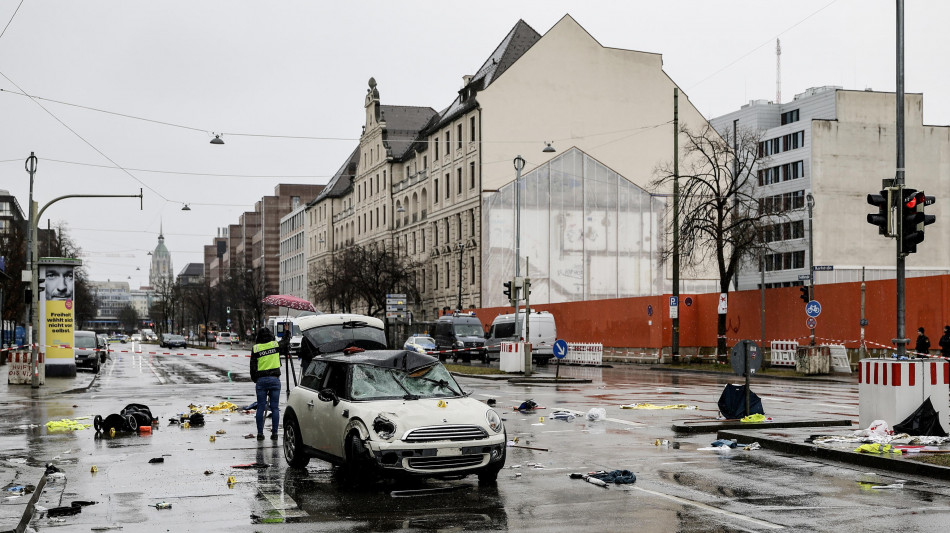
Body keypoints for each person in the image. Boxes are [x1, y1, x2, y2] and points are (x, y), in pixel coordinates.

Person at [250, 327, 281, 441]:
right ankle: (275, 434)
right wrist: (287, 333)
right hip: (274, 379)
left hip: (261, 381)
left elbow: (253, 367)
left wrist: (256, 380)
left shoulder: (256, 348)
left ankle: (260, 433)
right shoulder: (275, 345)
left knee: (260, 407)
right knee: (275, 408)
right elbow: (286, 343)